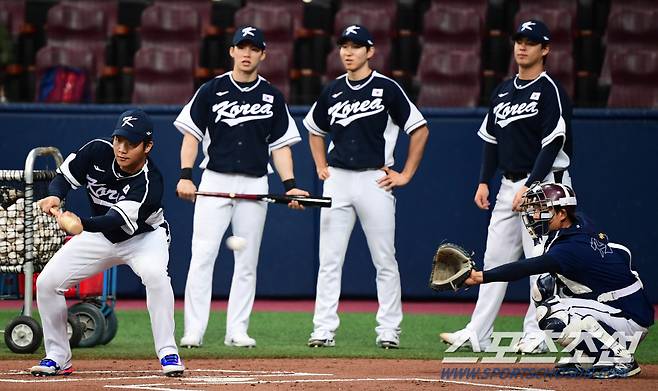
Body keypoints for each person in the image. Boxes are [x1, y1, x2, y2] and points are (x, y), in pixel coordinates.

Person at [440, 19, 573, 354]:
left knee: (539, 262)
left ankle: (538, 332)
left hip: (545, 187)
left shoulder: (549, 90)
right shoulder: (502, 90)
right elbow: (490, 140)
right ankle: (478, 332)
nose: (522, 46)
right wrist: (484, 179)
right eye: (519, 40)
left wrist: (531, 185)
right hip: (507, 185)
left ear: (545, 49)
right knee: (495, 260)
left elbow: (554, 141)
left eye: (531, 42)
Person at [174, 25, 308, 349]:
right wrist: (185, 175)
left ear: (263, 54)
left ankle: (237, 330)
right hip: (215, 178)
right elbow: (191, 134)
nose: (247, 54)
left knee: (246, 261)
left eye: (254, 48)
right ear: (232, 51)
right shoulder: (211, 90)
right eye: (241, 47)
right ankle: (194, 331)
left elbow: (280, 147)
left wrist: (290, 185)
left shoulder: (273, 96)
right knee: (202, 256)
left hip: (254, 183)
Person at [31, 109, 184, 377]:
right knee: (47, 283)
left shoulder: (150, 181)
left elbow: (113, 220)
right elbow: (63, 179)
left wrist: (80, 224)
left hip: (144, 238)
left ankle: (168, 352)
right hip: (100, 237)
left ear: (147, 147)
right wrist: (55, 197)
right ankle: (57, 355)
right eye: (118, 140)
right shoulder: (97, 150)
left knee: (156, 276)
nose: (122, 149)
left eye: (131, 143)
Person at [303, 24, 429, 349]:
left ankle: (389, 330)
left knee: (385, 259)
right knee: (329, 259)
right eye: (344, 46)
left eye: (356, 46)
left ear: (370, 51)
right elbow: (315, 129)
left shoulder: (387, 88)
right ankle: (323, 329)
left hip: (376, 178)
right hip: (339, 179)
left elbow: (419, 129)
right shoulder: (332, 90)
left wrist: (406, 174)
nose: (348, 52)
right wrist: (320, 164)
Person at [462, 182, 653, 379]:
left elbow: (524, 268)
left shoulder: (569, 248)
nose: (535, 215)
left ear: (562, 214)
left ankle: (621, 359)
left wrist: (480, 276)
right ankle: (588, 356)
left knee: (551, 312)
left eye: (542, 210)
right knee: (545, 288)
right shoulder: (579, 223)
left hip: (628, 319)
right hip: (619, 308)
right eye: (535, 209)